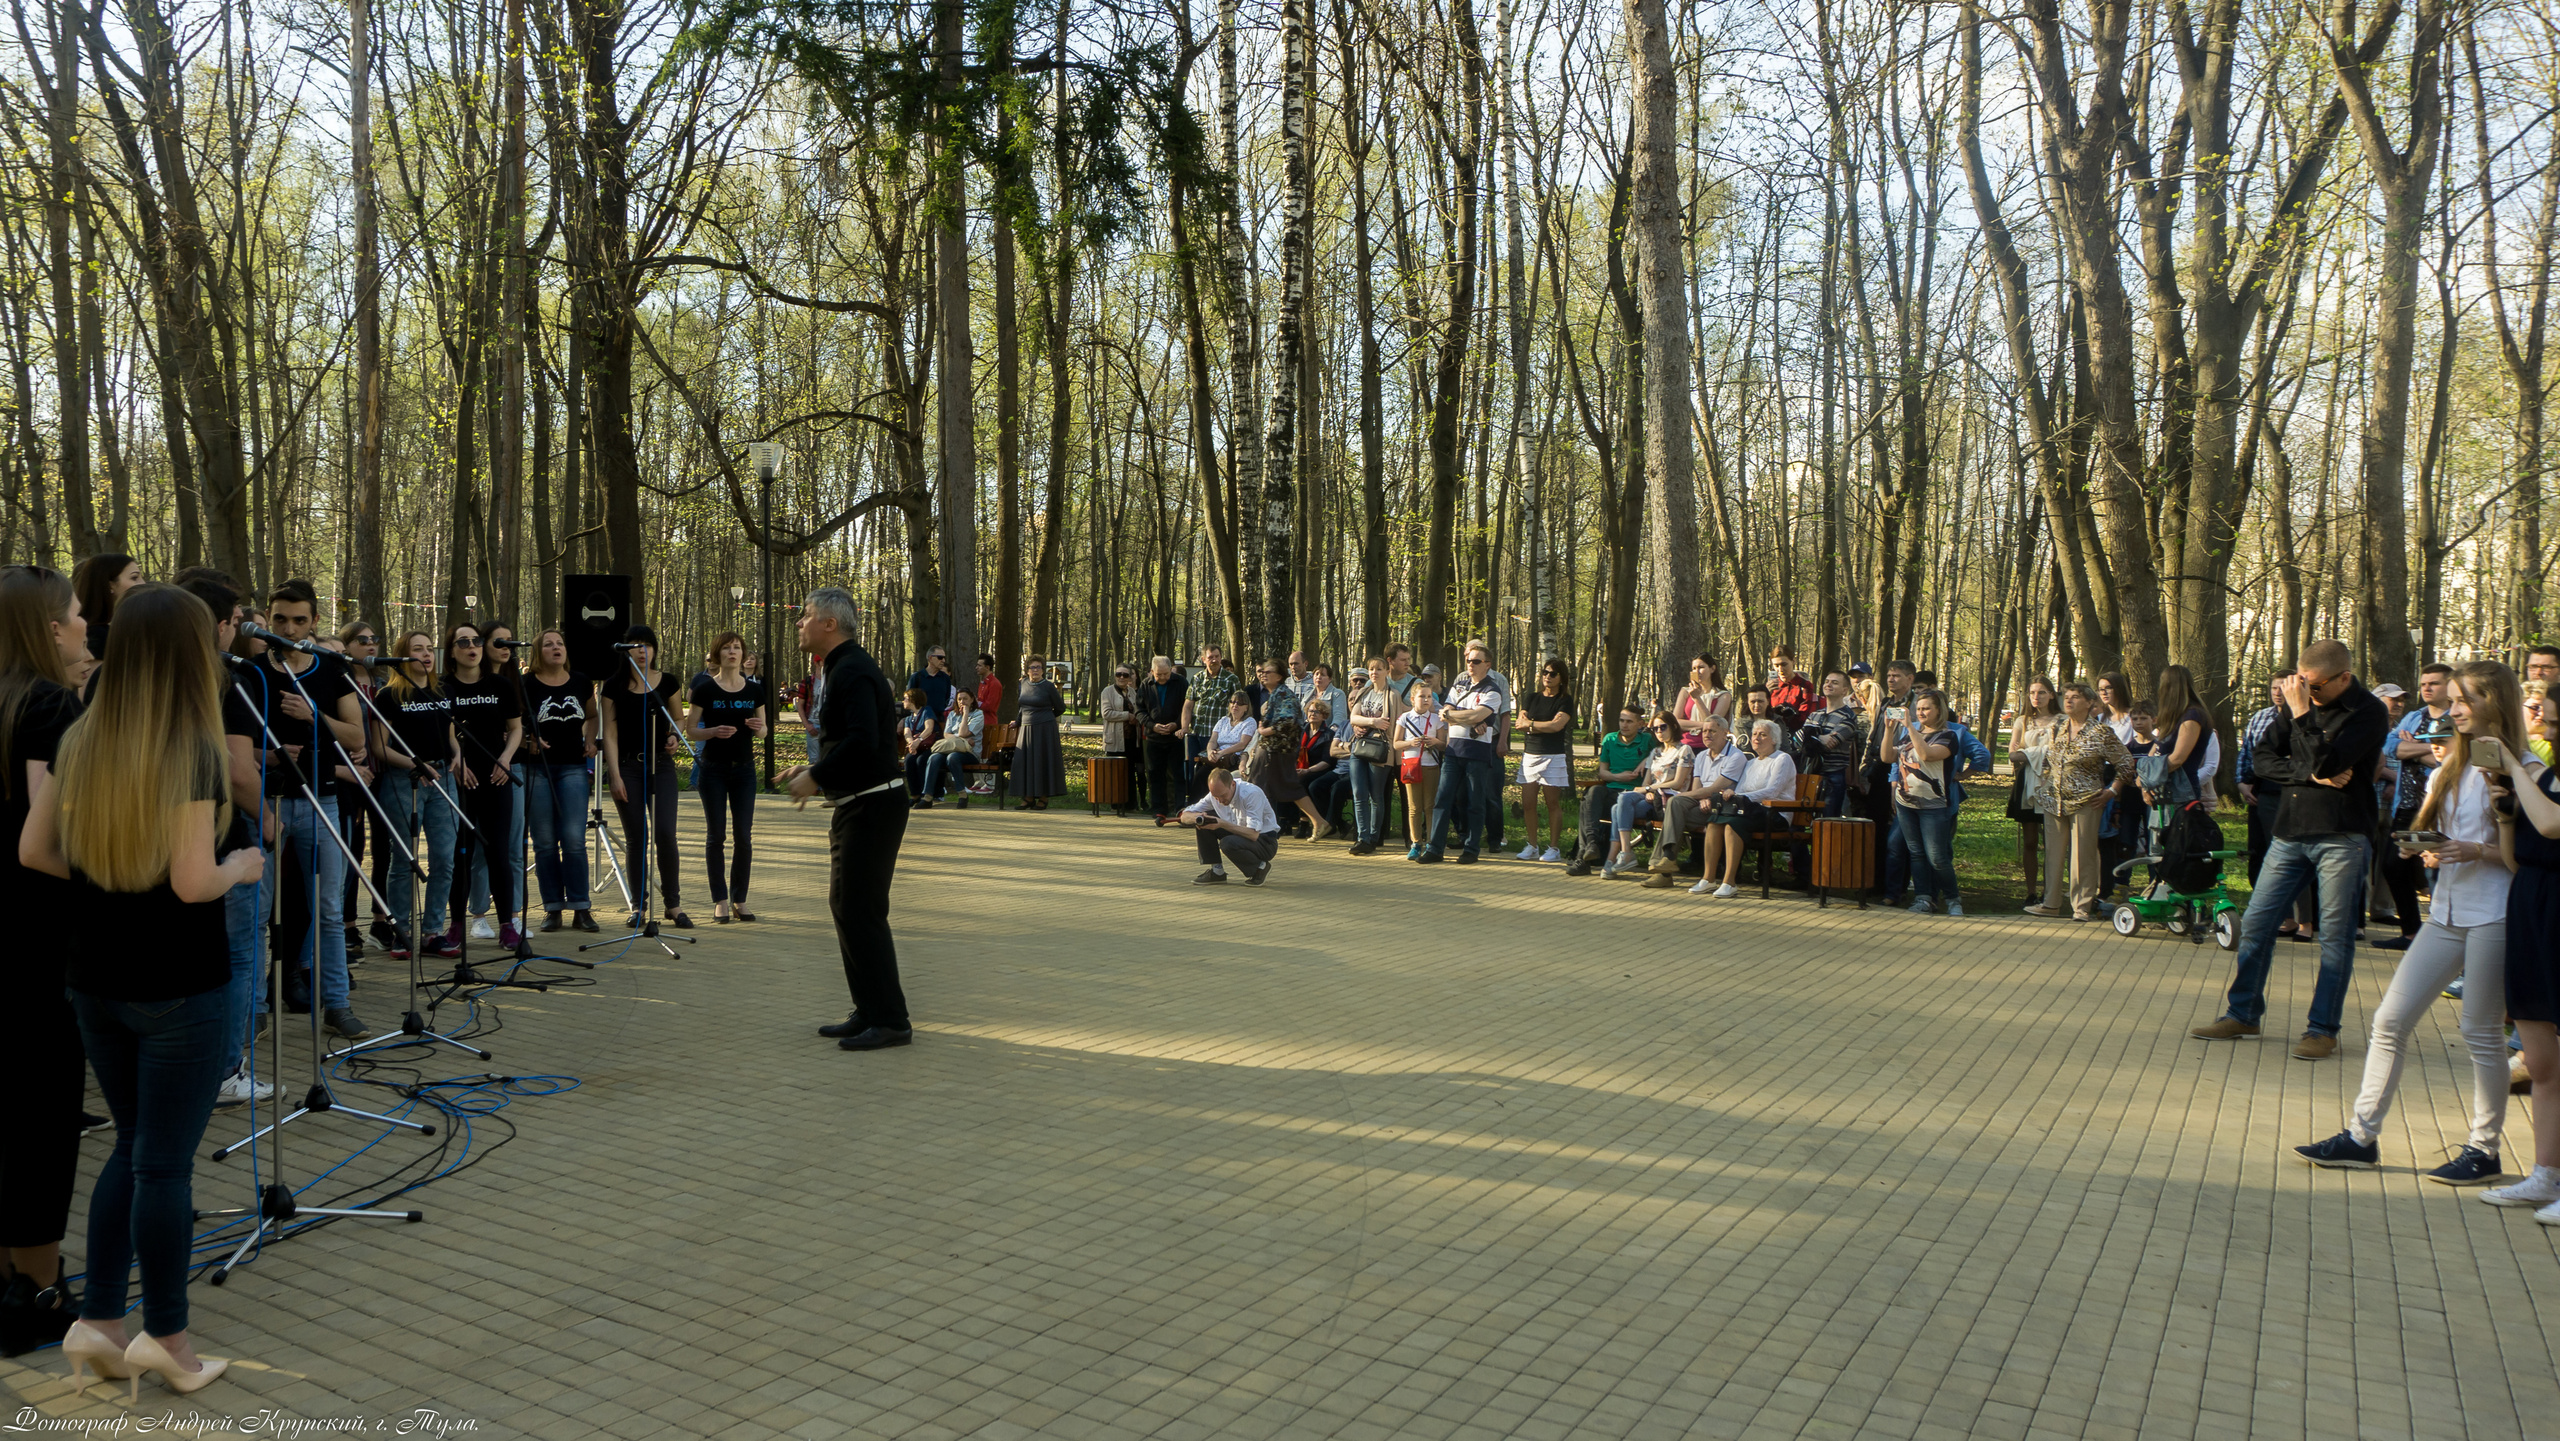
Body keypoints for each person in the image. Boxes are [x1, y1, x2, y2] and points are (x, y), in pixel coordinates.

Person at [21, 583, 263, 1400]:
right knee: (161, 1164)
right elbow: (194, 881)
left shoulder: (82, 734)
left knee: (133, 1147)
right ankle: (168, 1337)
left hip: (94, 978)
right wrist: (242, 865)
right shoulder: (192, 747)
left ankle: (99, 1320)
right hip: (178, 983)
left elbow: (33, 850)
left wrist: (107, 878)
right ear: (191, 654)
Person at [2295, 660, 2521, 1185]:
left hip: (2496, 913)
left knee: (2480, 1032)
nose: (2454, 710)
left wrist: (2476, 850)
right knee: (2389, 1021)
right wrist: (2429, 850)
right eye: (2454, 700)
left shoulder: (2521, 767)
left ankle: (2484, 1150)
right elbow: (2445, 836)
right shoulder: (2450, 767)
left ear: (2496, 704)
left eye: (2465, 700)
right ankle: (2360, 1138)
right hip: (2444, 914)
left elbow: (2525, 858)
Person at [2192, 639, 2391, 1058]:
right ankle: (2243, 1013)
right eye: (2301, 683)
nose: (2306, 692)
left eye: (2314, 686)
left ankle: (2322, 1029)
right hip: (2290, 831)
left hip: (2342, 835)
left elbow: (2328, 762)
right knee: (2257, 924)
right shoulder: (2301, 701)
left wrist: (2302, 718)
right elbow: (2262, 760)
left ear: (2344, 678)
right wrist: (2310, 775)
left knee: (2334, 938)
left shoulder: (2369, 711)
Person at [0, 566, 84, 1356]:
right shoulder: (51, 707)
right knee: (41, 1119)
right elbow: (48, 836)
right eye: (79, 614)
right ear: (50, 627)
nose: (87, 625)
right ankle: (37, 1289)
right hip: (36, 943)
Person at [782, 588, 913, 1052]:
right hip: (859, 804)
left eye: (806, 615)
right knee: (847, 906)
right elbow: (850, 742)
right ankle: (869, 1009)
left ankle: (891, 1021)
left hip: (872, 806)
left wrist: (817, 776)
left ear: (830, 624)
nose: (800, 623)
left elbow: (863, 739)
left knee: (861, 910)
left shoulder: (852, 669)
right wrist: (812, 769)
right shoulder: (840, 666)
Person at [255, 581, 368, 1040]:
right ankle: (255, 1010)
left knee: (328, 911)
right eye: (280, 619)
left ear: (314, 622)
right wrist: (271, 755)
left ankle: (336, 1005)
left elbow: (357, 737)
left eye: (299, 620)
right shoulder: (251, 672)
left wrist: (312, 716)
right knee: (258, 913)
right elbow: (228, 745)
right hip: (265, 802)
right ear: (268, 617)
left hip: (322, 801)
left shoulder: (331, 669)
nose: (288, 629)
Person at [2483, 678, 2560, 1216]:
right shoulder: (2545, 778)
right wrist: (2505, 816)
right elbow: (2517, 859)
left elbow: (2553, 824)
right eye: (2547, 722)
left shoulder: (2537, 778)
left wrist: (2514, 766)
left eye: (2556, 724)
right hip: (2531, 907)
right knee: (2540, 1060)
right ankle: (2545, 1175)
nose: (2548, 733)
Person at [372, 631, 461, 956]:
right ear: (402, 656)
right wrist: (415, 764)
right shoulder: (388, 695)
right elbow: (379, 746)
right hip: (404, 781)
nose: (426, 655)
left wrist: (458, 753)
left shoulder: (444, 690)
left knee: (444, 858)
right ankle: (402, 931)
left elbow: (450, 735)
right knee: (404, 859)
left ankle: (433, 931)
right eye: (417, 649)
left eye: (429, 649)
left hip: (443, 780)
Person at [437, 622, 525, 950]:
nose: (471, 647)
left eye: (476, 641)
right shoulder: (442, 687)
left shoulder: (500, 684)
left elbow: (515, 728)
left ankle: (507, 925)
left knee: (498, 850)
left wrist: (506, 759)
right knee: (461, 852)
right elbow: (446, 731)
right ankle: (456, 925)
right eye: (463, 642)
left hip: (495, 777)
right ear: (451, 651)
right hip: (460, 778)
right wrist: (457, 758)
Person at [600, 625, 690, 929]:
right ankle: (639, 906)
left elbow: (678, 718)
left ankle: (673, 904)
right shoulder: (613, 686)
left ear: (654, 649)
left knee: (665, 833)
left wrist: (674, 736)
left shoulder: (668, 682)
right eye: (635, 645)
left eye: (647, 645)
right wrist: (614, 775)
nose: (641, 651)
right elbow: (609, 734)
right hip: (628, 767)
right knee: (637, 837)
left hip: (661, 765)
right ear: (625, 650)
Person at [2024, 683, 2134, 921]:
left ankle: (2081, 906)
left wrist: (2112, 791)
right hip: (2054, 799)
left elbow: (2126, 764)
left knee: (2082, 854)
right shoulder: (2058, 726)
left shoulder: (2100, 732)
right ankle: (2050, 903)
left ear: (2090, 703)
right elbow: (2048, 758)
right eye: (2066, 696)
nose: (2068, 701)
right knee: (2053, 854)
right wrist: (2044, 782)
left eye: (2075, 697)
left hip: (2087, 800)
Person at [688, 632, 770, 921]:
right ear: (717, 654)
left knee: (743, 836)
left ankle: (740, 899)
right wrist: (712, 732)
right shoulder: (705, 689)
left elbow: (764, 732)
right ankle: (720, 900)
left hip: (744, 770)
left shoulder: (754, 690)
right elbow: (691, 730)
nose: (733, 652)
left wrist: (759, 728)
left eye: (737, 648)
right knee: (716, 836)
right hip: (713, 769)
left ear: (743, 654)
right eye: (726, 648)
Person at [520, 631, 598, 933]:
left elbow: (592, 716)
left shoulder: (580, 681)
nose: (556, 648)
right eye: (549, 644)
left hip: (573, 767)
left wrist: (590, 740)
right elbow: (514, 723)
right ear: (538, 652)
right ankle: (552, 908)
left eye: (560, 643)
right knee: (544, 841)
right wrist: (528, 740)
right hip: (537, 769)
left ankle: (581, 907)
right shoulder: (526, 684)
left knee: (574, 839)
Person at [1883, 688, 1972, 916]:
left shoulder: (1947, 736)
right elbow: (1887, 757)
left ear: (1939, 710)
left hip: (1934, 806)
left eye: (1926, 709)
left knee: (1937, 857)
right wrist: (1889, 730)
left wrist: (1910, 727)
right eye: (1919, 709)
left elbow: (1927, 755)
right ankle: (1923, 898)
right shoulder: (1907, 735)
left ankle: (1952, 899)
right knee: (1916, 853)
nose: (1921, 713)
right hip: (1906, 803)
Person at [1692, 719, 1802, 898]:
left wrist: (1740, 796)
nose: (1757, 738)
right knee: (1714, 822)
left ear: (1774, 739)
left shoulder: (1782, 759)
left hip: (1775, 813)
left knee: (1733, 824)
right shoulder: (1751, 763)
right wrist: (1732, 793)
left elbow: (1773, 791)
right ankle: (1708, 878)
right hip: (1750, 811)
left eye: (1763, 735)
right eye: (1754, 734)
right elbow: (1741, 789)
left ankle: (1729, 882)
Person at [1421, 642, 1508, 864]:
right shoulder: (1459, 686)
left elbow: (1475, 716)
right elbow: (1445, 711)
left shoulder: (1493, 690)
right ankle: (1435, 848)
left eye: (1476, 661)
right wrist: (1466, 717)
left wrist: (1457, 716)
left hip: (1477, 753)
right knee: (1443, 799)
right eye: (1469, 660)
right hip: (1453, 751)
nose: (1470, 664)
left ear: (1487, 664)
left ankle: (1471, 849)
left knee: (1475, 802)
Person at [1643, 714, 1750, 888]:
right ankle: (1667, 859)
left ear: (1725, 733)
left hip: (1722, 806)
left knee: (1675, 808)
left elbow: (1715, 788)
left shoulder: (1735, 757)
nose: (1707, 735)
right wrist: (1700, 798)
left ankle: (1663, 869)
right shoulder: (1701, 756)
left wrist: (1693, 796)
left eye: (1712, 731)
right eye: (1704, 731)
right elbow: (1697, 787)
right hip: (1702, 803)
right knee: (1675, 805)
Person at [1566, 706, 1657, 876]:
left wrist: (1647, 759)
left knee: (1586, 804)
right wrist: (1619, 777)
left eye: (1629, 721)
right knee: (1592, 792)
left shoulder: (1647, 740)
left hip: (1634, 795)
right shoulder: (1610, 739)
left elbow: (1662, 752)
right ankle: (1592, 844)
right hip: (1612, 790)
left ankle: (1583, 858)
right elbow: (1603, 772)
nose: (1624, 725)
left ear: (1640, 724)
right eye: (1622, 720)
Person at [1600, 715, 1691, 878]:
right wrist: (1648, 790)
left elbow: (1677, 783)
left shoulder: (1684, 750)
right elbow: (1646, 782)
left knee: (1618, 806)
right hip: (1651, 798)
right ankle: (1623, 854)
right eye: (1655, 728)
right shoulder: (1656, 752)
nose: (1659, 731)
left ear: (1674, 726)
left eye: (1663, 727)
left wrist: (1649, 789)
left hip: (1668, 801)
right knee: (1620, 802)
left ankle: (1615, 858)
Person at [1866, 659, 1919, 899]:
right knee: (1876, 825)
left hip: (1904, 767)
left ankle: (1898, 885)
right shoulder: (1886, 703)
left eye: (1896, 676)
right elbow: (1874, 734)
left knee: (1900, 831)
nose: (1891, 679)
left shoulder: (1916, 704)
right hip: (1879, 764)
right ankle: (1876, 881)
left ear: (1910, 679)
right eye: (1889, 675)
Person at [1514, 659, 1575, 862]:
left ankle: (1554, 848)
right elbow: (1520, 722)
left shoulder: (1565, 700)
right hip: (1530, 755)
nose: (1547, 676)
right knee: (1528, 803)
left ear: (1561, 678)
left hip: (1553, 756)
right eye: (1545, 672)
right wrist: (1539, 725)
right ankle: (1532, 845)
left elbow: (1556, 726)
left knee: (1552, 802)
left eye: (1553, 674)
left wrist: (1531, 725)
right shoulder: (1531, 697)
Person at [1183, 766, 1282, 886]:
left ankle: (1260, 868)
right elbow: (1185, 815)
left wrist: (1222, 823)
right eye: (1215, 797)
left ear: (1233, 785)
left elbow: (1253, 834)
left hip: (1264, 842)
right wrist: (1196, 818)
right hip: (1239, 833)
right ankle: (1217, 872)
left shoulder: (1251, 794)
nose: (1219, 801)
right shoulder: (1215, 794)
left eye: (1223, 795)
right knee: (1204, 821)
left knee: (1227, 843)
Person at [2008, 677, 2061, 884]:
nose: (2036, 697)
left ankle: (2050, 890)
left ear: (2051, 695)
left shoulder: (2063, 720)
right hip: (2027, 781)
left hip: (2054, 782)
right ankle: (2030, 891)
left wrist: (2029, 753)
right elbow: (2013, 754)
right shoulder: (2022, 721)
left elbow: (2062, 752)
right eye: (2032, 693)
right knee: (2030, 841)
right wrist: (2042, 752)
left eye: (2041, 692)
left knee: (2052, 842)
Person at [1799, 672, 1866, 818]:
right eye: (1827, 681)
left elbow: (1828, 744)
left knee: (1828, 821)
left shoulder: (1849, 716)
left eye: (1835, 683)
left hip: (1833, 776)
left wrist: (1811, 735)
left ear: (1844, 690)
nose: (1828, 685)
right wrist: (1819, 737)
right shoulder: (1814, 715)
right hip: (1810, 774)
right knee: (1805, 821)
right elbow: (1798, 741)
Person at [1182, 645, 1241, 802]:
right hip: (1195, 733)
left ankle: (1213, 804)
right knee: (1191, 771)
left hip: (1215, 736)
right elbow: (1188, 706)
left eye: (1217, 656)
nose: (1214, 660)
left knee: (1210, 773)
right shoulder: (1197, 678)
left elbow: (1239, 706)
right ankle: (1193, 805)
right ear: (1203, 659)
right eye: (1210, 657)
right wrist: (1184, 727)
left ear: (1221, 658)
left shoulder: (1231, 679)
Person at [1394, 681, 1444, 857]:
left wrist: (1435, 742)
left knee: (1430, 806)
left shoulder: (1436, 719)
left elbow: (1444, 744)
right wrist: (1410, 743)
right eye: (1422, 696)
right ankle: (1416, 843)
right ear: (1413, 699)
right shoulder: (1405, 718)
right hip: (1411, 766)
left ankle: (1431, 842)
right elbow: (1396, 743)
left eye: (1429, 696)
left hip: (1431, 766)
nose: (1426, 700)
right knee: (1414, 806)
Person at [1010, 656, 1067, 811]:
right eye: (1032, 667)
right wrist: (1018, 722)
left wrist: (1045, 718)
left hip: (1045, 730)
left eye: (1038, 667)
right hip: (1026, 729)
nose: (1035, 670)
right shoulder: (1023, 684)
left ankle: (1043, 797)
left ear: (1043, 670)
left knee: (1043, 762)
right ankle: (1028, 797)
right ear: (1027, 670)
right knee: (1026, 762)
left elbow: (1060, 708)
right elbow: (1022, 707)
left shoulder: (1048, 686)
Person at [1139, 656, 1189, 823]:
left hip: (1175, 737)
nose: (1162, 678)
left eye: (1166, 674)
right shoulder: (1145, 685)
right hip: (1154, 737)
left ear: (1170, 670)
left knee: (1178, 774)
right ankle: (1159, 809)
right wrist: (1152, 725)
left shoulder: (1180, 683)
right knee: (1155, 774)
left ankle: (1180, 808)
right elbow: (1139, 710)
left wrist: (1177, 724)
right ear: (1152, 672)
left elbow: (1187, 707)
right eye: (1158, 674)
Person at [68, 552, 140, 665]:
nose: (143, 583)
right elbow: (93, 675)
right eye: (134, 578)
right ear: (110, 585)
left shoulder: (120, 626)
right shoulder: (96, 635)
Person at [918, 687, 985, 805]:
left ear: (972, 699)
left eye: (965, 699)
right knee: (934, 758)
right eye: (959, 699)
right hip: (950, 749)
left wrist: (965, 715)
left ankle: (962, 794)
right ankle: (927, 796)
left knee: (952, 757)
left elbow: (963, 732)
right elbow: (946, 734)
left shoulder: (978, 714)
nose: (962, 702)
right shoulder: (953, 714)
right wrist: (962, 739)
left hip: (970, 753)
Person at [1100, 665, 1141, 809]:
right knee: (1116, 773)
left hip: (1131, 739)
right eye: (1119, 674)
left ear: (1130, 677)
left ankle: (1130, 804)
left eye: (1125, 675)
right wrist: (1127, 716)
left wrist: (1136, 718)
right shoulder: (1107, 692)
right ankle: (1116, 804)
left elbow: (1138, 711)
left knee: (1129, 772)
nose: (1122, 677)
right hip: (1115, 739)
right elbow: (1106, 713)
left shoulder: (1132, 692)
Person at [1673, 654, 1731, 751]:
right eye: (1694, 668)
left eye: (1701, 667)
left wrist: (1697, 698)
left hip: (1709, 746)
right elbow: (1675, 722)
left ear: (1712, 669)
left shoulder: (1723, 695)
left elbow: (1714, 724)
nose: (1697, 671)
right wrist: (1703, 725)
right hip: (1685, 745)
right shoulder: (1685, 692)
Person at [1205, 691, 1258, 783]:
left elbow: (1242, 744)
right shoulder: (1223, 720)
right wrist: (1210, 752)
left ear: (1246, 708)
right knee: (1201, 776)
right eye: (1232, 702)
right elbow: (1212, 741)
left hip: (1234, 760)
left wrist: (1222, 753)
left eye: (1239, 703)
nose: (1235, 705)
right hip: (1218, 758)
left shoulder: (1249, 722)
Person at [899, 688, 939, 798]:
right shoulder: (908, 718)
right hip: (916, 747)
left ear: (913, 699)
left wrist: (918, 740)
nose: (903, 701)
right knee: (909, 760)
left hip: (928, 746)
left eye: (905, 698)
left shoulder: (927, 711)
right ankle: (915, 795)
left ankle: (925, 794)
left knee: (921, 760)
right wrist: (912, 744)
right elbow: (907, 733)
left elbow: (929, 728)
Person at [1765, 646, 1816, 729]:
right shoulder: (1771, 686)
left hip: (1793, 730)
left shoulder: (1804, 686)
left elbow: (1803, 716)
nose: (1780, 669)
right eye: (1776, 665)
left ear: (1793, 661)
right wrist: (1765, 695)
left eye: (1784, 664)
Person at [906, 646, 956, 720]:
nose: (943, 660)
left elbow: (946, 699)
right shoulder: (916, 677)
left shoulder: (946, 678)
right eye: (940, 657)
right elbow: (908, 699)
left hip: (939, 720)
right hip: (920, 720)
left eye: (944, 658)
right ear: (930, 658)